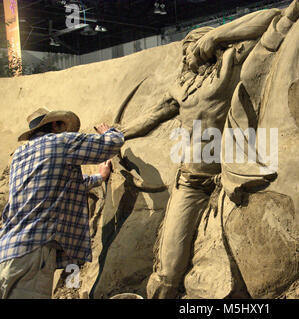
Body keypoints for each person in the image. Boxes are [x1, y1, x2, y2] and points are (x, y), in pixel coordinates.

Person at [117, 9, 281, 298]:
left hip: (230, 184)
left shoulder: (232, 65)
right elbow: (152, 116)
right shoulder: (182, 88)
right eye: (185, 51)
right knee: (168, 272)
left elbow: (273, 18)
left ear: (209, 48)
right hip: (190, 184)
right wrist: (115, 134)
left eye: (193, 49)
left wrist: (218, 34)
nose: (188, 57)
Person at [0, 107, 124, 299]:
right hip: (33, 253)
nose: (67, 132)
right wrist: (108, 131)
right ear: (56, 125)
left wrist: (99, 177)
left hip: (7, 250)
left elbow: (61, 186)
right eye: (64, 127)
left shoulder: (19, 156)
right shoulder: (61, 142)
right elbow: (112, 143)